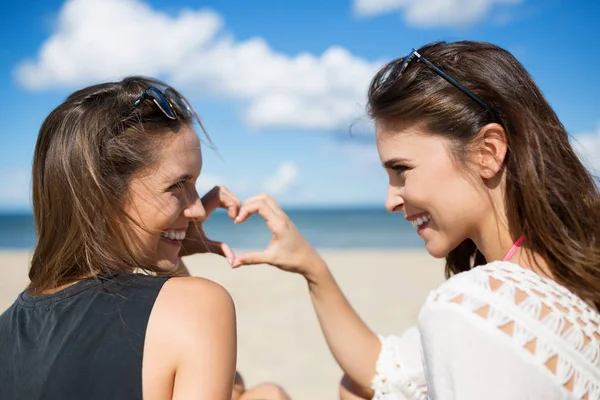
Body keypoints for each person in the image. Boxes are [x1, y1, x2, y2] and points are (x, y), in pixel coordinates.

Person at [230, 41, 600, 399]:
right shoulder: (571, 270)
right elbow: (385, 372)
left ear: (487, 152)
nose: (391, 200)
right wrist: (312, 267)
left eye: (402, 170)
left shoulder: (472, 307)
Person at [0, 76, 290, 400]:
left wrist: (170, 253)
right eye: (178, 185)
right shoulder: (199, 305)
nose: (197, 209)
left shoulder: (7, 328)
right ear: (100, 193)